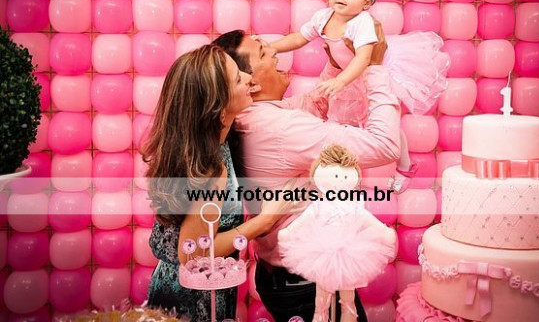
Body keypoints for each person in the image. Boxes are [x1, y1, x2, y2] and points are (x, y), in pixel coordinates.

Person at [213, 29, 413, 321]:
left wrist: (336, 66)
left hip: (283, 276)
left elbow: (313, 105)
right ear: (249, 82)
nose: (274, 50)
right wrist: (375, 69)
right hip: (308, 282)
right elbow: (384, 145)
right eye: (263, 51)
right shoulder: (280, 128)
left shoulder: (252, 115)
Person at [142, 45, 294, 321]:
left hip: (180, 284)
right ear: (218, 108)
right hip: (194, 297)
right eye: (237, 79)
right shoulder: (211, 169)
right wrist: (265, 221)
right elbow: (193, 253)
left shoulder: (200, 147)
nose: (248, 78)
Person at [271, 0, 449, 126]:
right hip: (347, 71)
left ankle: (385, 145)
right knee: (338, 111)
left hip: (367, 72)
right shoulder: (323, 17)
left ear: (367, 3)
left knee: (367, 115)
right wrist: (273, 47)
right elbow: (298, 38)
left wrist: (341, 80)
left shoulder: (362, 22)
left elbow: (363, 58)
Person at [279, 144, 397, 322]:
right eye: (335, 176)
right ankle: (321, 316)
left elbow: (367, 219)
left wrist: (382, 231)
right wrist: (289, 232)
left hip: (349, 251)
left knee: (347, 293)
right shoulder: (318, 205)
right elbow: (304, 220)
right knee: (322, 293)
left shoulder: (354, 205)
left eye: (344, 176)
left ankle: (348, 316)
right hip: (322, 252)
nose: (339, 180)